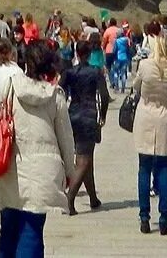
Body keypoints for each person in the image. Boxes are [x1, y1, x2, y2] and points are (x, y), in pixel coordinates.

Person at [0, 40, 75, 258]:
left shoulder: (9, 85)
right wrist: (69, 171)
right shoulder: (55, 95)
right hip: (42, 172)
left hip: (8, 167)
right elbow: (66, 140)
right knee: (32, 231)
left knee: (8, 231)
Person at [132, 31, 167, 236]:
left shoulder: (146, 66)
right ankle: (164, 217)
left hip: (145, 116)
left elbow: (135, 85)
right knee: (164, 167)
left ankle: (144, 217)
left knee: (144, 168)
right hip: (165, 116)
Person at [60, 38, 111, 215]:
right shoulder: (95, 72)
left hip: (73, 113)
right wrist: (102, 115)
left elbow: (60, 92)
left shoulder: (69, 72)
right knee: (84, 160)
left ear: (76, 53)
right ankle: (69, 198)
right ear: (89, 54)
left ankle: (93, 198)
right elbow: (104, 96)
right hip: (89, 114)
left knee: (86, 157)